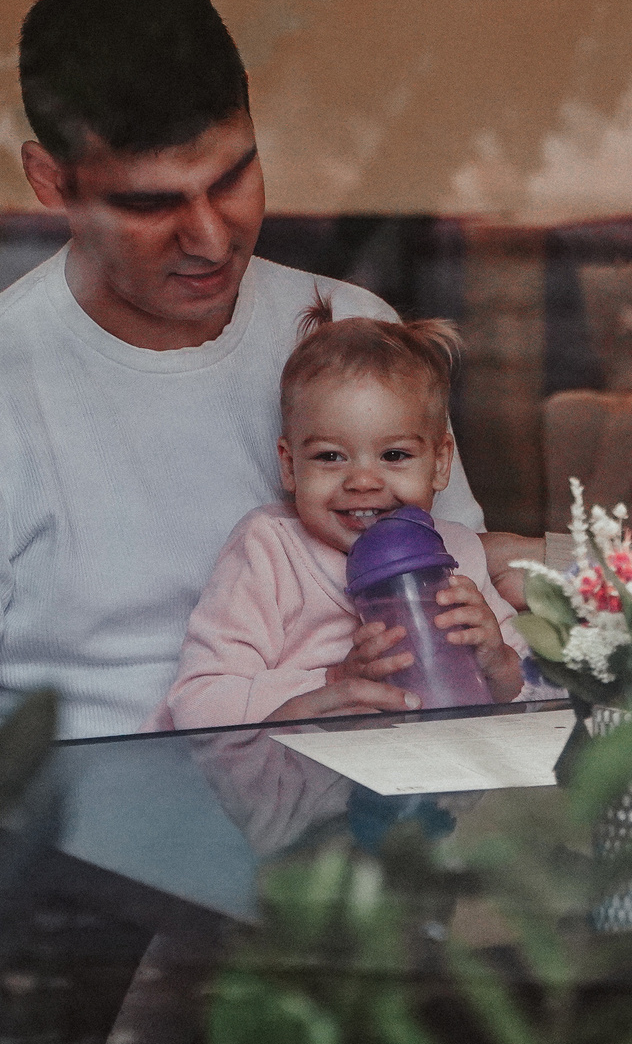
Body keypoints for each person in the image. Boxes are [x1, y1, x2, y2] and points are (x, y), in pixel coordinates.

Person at [0, 0, 487, 1044]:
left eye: (234, 177)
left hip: (392, 874)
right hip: (105, 920)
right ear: (50, 181)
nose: (211, 237)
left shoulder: (349, 333)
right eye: (149, 204)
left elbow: (464, 604)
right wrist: (205, 790)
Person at [155, 298, 525, 730]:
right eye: (330, 456)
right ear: (290, 466)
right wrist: (333, 682)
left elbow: (540, 692)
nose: (362, 481)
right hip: (293, 769)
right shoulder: (269, 550)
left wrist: (499, 664)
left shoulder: (459, 555)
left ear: (441, 462)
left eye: (394, 455)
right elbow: (198, 704)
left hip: (425, 763)